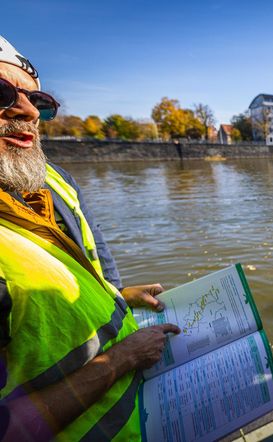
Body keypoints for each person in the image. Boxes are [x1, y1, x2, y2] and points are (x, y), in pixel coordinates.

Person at [0, 35, 179, 440]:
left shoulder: (54, 181)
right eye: (2, 93)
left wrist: (117, 295)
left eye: (39, 102)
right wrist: (121, 359)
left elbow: (83, 272)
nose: (28, 112)